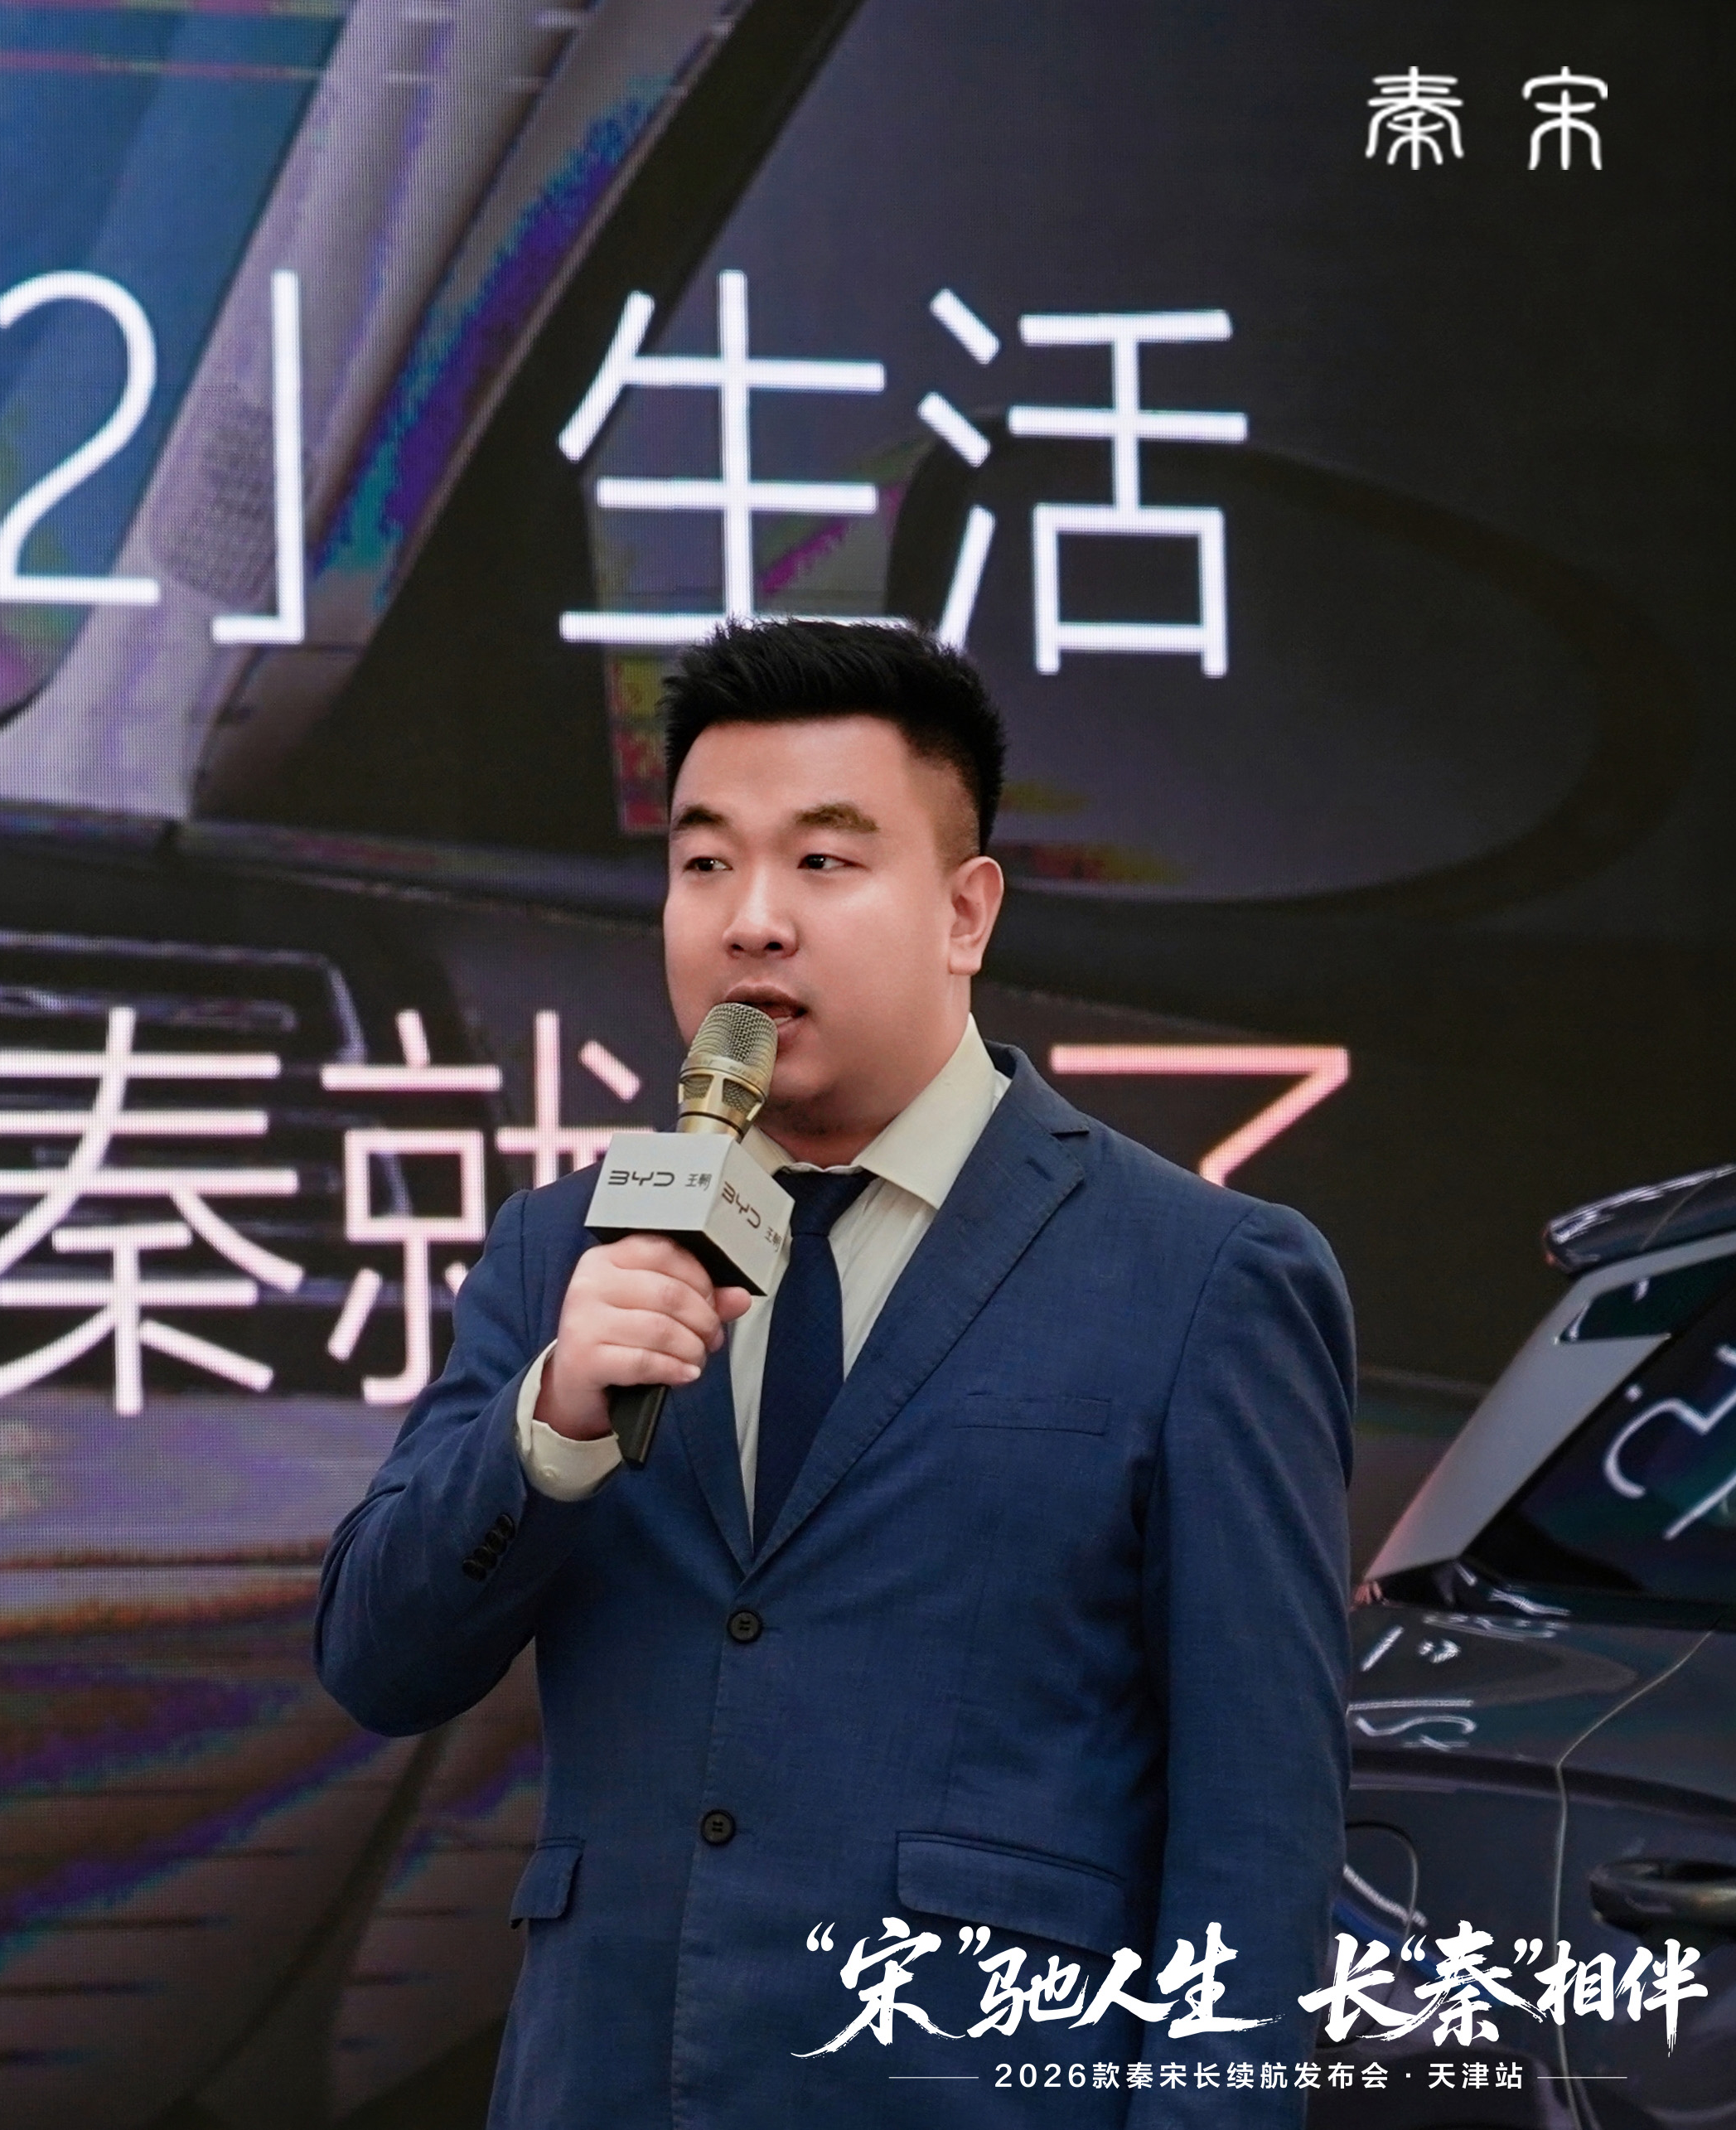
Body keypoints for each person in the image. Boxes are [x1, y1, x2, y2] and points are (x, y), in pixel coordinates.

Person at [314, 619, 1353, 2126]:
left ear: (964, 911)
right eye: (703, 862)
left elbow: (1256, 1838)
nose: (750, 921)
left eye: (820, 861)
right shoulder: (567, 1249)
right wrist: (549, 1424)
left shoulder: (1200, 1276)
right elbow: (375, 1660)